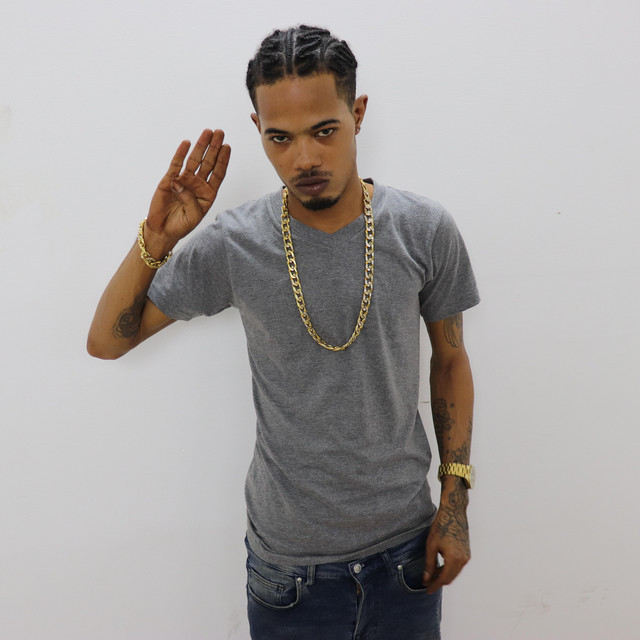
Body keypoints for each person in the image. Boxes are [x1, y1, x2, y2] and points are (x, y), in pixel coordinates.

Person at [87, 25, 480, 640]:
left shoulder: (423, 229)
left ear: (357, 114)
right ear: (258, 130)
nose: (304, 159)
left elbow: (450, 360)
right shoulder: (235, 244)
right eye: (280, 138)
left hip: (406, 550)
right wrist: (156, 240)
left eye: (324, 131)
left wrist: (455, 501)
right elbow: (107, 341)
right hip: (290, 571)